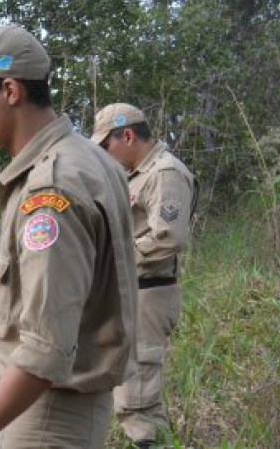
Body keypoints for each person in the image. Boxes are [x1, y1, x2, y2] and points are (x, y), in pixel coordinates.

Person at [0, 26, 139, 449]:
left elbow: (45, 352)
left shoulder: (50, 189)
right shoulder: (88, 157)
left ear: (10, 90)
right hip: (50, 407)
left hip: (47, 415)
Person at [91, 103, 198, 448]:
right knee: (128, 390)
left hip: (149, 293)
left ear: (127, 135)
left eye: (107, 146)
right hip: (130, 293)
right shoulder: (134, 175)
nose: (106, 155)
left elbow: (168, 238)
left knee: (138, 400)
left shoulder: (166, 173)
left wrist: (114, 262)